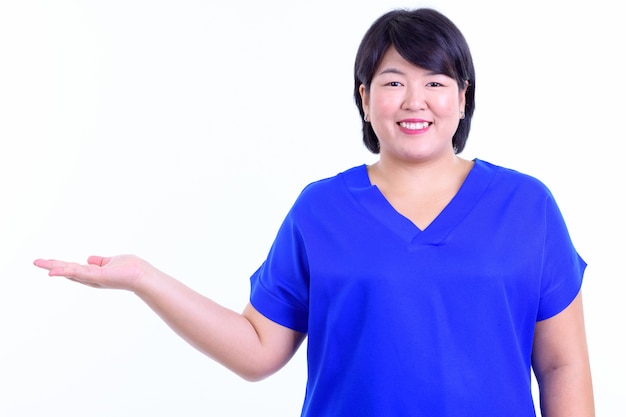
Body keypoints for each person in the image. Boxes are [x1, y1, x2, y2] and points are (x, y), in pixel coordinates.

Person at [33, 7, 595, 417]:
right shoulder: (320, 210)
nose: (414, 101)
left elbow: (562, 367)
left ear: (464, 96)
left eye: (435, 82)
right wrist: (144, 279)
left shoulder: (528, 207)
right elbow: (257, 350)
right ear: (364, 98)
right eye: (392, 82)